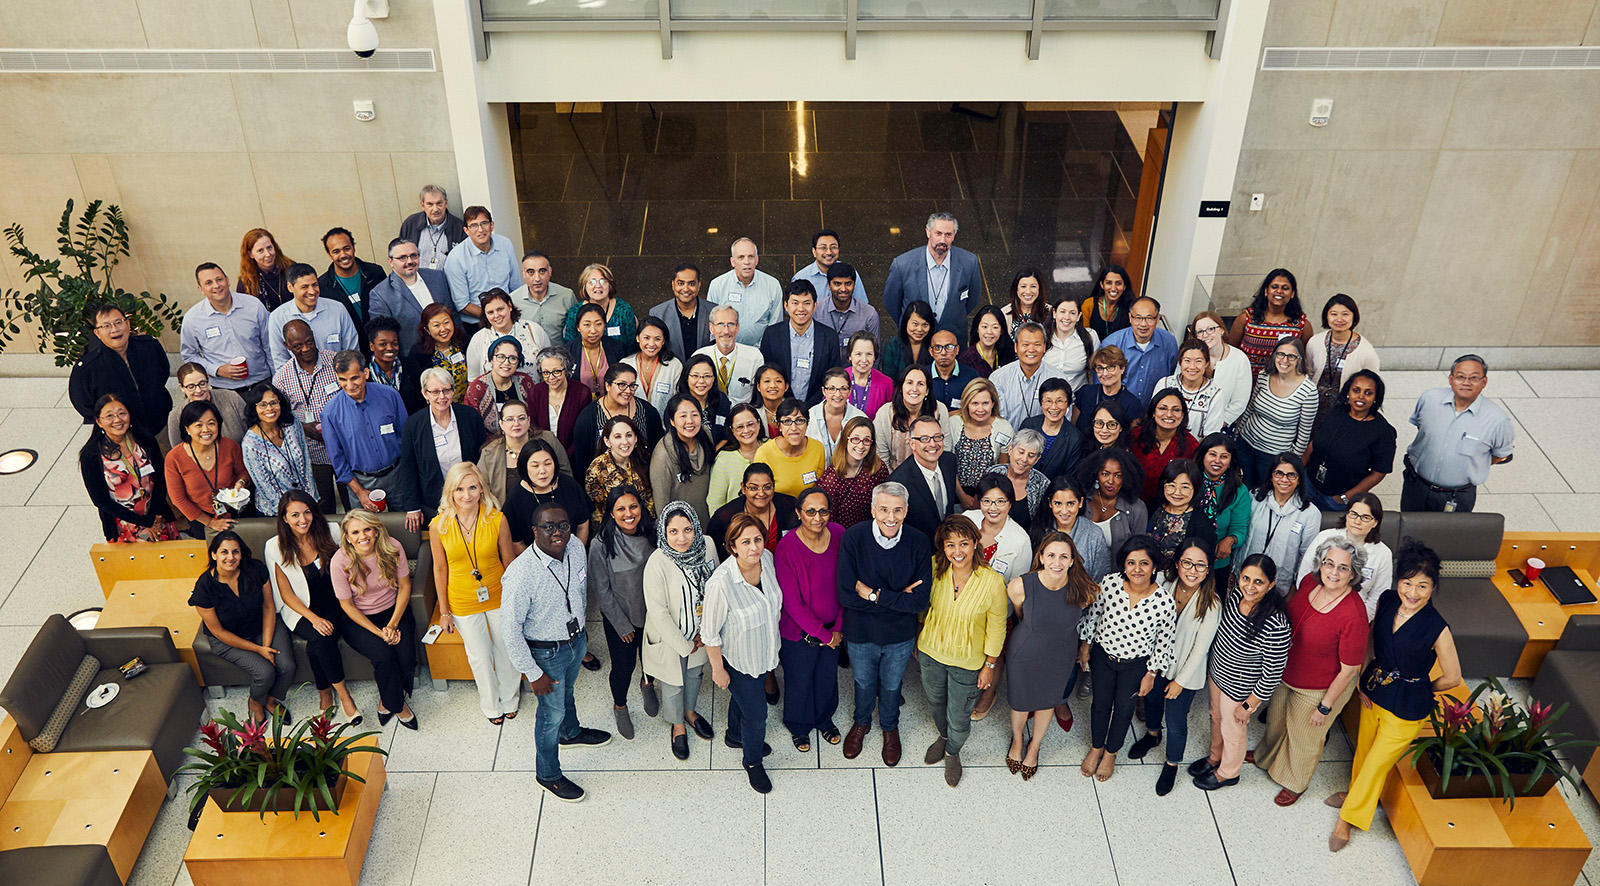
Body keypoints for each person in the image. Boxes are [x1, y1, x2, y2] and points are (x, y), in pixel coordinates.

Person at [1328, 541, 1462, 852]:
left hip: (1407, 707)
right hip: (1375, 690)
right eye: (1407, 583)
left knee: (1376, 763)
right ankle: (1354, 794)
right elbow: (1371, 638)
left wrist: (1423, 687)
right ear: (1397, 581)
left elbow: (1453, 676)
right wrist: (1362, 675)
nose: (1412, 592)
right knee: (1364, 751)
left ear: (1432, 588)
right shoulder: (1388, 601)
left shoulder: (1437, 627)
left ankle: (1347, 819)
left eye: (1422, 586)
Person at [502, 501, 613, 802]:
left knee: (567, 696)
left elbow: (578, 591)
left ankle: (571, 732)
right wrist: (533, 672)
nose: (558, 532)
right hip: (545, 654)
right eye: (549, 527)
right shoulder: (521, 574)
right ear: (535, 530)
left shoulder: (575, 546)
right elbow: (510, 632)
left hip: (575, 642)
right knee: (550, 715)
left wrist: (582, 639)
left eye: (563, 525)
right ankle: (548, 774)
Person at [1255, 535, 1368, 805]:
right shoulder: (1309, 583)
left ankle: (1296, 782)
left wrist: (1325, 707)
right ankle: (1266, 757)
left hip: (1319, 687)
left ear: (1353, 574)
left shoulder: (1354, 614)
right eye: (1329, 564)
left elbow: (1350, 670)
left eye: (1343, 568)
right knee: (1277, 721)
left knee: (1305, 736)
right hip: (1286, 672)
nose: (1333, 572)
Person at [837, 482, 933, 765]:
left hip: (899, 634)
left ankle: (890, 728)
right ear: (872, 510)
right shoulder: (854, 538)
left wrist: (873, 594)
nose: (890, 517)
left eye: (897, 510)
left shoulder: (918, 541)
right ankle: (861, 722)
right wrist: (897, 597)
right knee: (864, 682)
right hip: (860, 631)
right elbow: (846, 595)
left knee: (892, 685)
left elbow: (918, 602)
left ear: (906, 511)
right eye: (884, 510)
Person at [912, 515, 1005, 787]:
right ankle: (943, 737)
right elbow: (923, 607)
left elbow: (997, 628)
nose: (957, 552)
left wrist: (989, 666)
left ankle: (953, 751)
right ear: (942, 547)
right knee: (935, 702)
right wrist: (920, 634)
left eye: (963, 543)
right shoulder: (932, 568)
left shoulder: (992, 582)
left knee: (960, 714)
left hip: (968, 661)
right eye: (950, 545)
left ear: (976, 543)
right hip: (931, 652)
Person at [1127, 538, 1222, 794]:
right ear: (1178, 564)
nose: (1193, 571)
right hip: (1156, 665)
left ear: (1208, 569)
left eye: (1200, 566)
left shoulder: (1211, 603)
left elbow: (1200, 650)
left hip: (1185, 675)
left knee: (1177, 721)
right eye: (1187, 563)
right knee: (1152, 703)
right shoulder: (1164, 586)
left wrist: (1180, 682)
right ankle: (1153, 735)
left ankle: (1171, 763)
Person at [1078, 535, 1176, 782]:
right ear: (1123, 565)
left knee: (1123, 709)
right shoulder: (1110, 583)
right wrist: (1085, 646)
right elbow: (1094, 616)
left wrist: (1151, 674)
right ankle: (1096, 747)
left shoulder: (1164, 602)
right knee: (1100, 704)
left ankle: (1111, 753)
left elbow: (1164, 643)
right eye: (1131, 562)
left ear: (1154, 566)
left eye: (1144, 563)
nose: (1137, 569)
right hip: (1103, 657)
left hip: (1136, 665)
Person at [431, 462, 521, 725]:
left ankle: (510, 697)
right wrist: (444, 612)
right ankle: (490, 703)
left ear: (482, 489)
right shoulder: (439, 525)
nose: (467, 495)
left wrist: (516, 601)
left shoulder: (496, 519)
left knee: (505, 648)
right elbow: (439, 569)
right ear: (451, 492)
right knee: (479, 655)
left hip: (498, 593)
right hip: (461, 599)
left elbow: (509, 563)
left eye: (472, 487)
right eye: (459, 489)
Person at [1193, 554, 1291, 791]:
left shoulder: (1276, 623)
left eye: (1258, 582)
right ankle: (1214, 757)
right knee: (1215, 718)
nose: (1249, 586)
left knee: (1233, 729)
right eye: (1246, 578)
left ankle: (1228, 772)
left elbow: (1273, 673)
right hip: (1217, 674)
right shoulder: (1236, 595)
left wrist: (1249, 705)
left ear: (1271, 585)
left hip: (1240, 689)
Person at [702, 514, 785, 793]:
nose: (754, 547)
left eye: (758, 539)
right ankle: (752, 762)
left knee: (744, 702)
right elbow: (710, 633)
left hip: (765, 653)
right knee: (757, 714)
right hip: (738, 660)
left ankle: (734, 735)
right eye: (746, 541)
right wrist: (718, 670)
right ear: (733, 546)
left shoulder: (769, 561)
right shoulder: (721, 584)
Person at [1007, 531, 1098, 778]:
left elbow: (1087, 616)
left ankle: (1034, 747)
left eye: (1063, 557)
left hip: (1060, 655)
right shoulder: (1020, 586)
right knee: (1020, 702)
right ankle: (1017, 742)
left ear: (1072, 561)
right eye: (1051, 555)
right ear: (1042, 557)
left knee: (1048, 702)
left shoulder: (1085, 590)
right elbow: (1020, 615)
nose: (1057, 562)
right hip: (1024, 653)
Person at [266, 490, 359, 722]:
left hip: (337, 602)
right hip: (301, 610)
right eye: (295, 515)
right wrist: (314, 619)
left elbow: (351, 565)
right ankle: (343, 695)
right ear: (284, 518)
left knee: (315, 647)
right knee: (319, 637)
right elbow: (285, 593)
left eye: (307, 512)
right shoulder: (275, 546)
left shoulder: (332, 530)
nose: (302, 520)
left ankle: (324, 692)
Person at [189, 531, 293, 725]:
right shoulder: (204, 588)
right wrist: (259, 650)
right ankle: (255, 703)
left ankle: (271, 700)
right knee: (265, 672)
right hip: (228, 638)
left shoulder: (255, 569)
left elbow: (269, 606)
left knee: (286, 666)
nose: (231, 557)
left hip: (262, 624)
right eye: (224, 552)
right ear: (214, 555)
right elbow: (219, 632)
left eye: (235, 552)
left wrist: (267, 644)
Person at [642, 501, 719, 760]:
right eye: (673, 531)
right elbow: (659, 613)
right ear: (664, 532)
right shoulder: (658, 561)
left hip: (701, 633)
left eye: (687, 529)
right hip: (671, 638)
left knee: (695, 674)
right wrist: (687, 644)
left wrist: (705, 633)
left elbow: (716, 586)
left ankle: (690, 711)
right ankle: (677, 724)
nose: (682, 538)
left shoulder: (707, 545)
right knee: (674, 682)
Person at [332, 509, 419, 730]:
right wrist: (379, 633)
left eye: (367, 529)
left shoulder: (393, 547)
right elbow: (347, 606)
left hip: (393, 610)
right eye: (356, 532)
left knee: (407, 656)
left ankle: (386, 699)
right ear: (348, 537)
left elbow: (405, 586)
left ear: (376, 530)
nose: (363, 536)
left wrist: (392, 625)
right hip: (358, 619)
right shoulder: (339, 561)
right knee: (384, 656)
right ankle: (397, 706)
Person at [776, 487, 845, 751]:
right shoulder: (787, 548)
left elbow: (846, 586)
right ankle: (798, 725)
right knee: (799, 680)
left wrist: (837, 629)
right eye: (810, 512)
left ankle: (824, 719)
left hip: (833, 629)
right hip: (799, 633)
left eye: (823, 511)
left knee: (827, 678)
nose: (818, 518)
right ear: (798, 513)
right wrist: (825, 636)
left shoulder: (839, 534)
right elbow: (793, 603)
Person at [1402, 354, 1515, 513]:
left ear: (1484, 382)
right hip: (1416, 486)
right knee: (1407, 531)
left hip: (1457, 496)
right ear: (1450, 379)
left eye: (1474, 378)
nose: (1466, 383)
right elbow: (1422, 429)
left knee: (1447, 537)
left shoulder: (1498, 421)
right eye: (1460, 377)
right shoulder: (1429, 399)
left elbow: (1501, 454)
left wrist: (1472, 464)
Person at [589, 485, 658, 740]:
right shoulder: (601, 544)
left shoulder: (653, 532)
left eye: (633, 506)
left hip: (652, 614)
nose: (628, 513)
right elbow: (602, 590)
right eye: (621, 509)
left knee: (652, 658)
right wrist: (622, 625)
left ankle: (647, 683)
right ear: (611, 513)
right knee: (623, 667)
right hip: (622, 618)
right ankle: (620, 705)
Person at [321, 350, 415, 523]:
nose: (349, 385)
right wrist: (359, 492)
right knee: (365, 532)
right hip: (361, 482)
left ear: (366, 373)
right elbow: (337, 459)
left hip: (397, 475)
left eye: (354, 378)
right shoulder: (330, 413)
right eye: (343, 380)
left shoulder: (390, 395)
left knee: (405, 525)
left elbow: (407, 437)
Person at [79, 394, 178, 542]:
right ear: (99, 421)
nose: (117, 420)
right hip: (124, 525)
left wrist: (155, 515)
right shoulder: (91, 454)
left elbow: (160, 476)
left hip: (156, 516)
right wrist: (144, 522)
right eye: (109, 416)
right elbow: (100, 500)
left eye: (122, 413)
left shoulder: (144, 438)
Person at [68, 303, 172, 439]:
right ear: (97, 333)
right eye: (106, 326)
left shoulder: (150, 346)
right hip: (122, 435)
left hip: (159, 425)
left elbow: (163, 373)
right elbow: (83, 404)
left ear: (128, 324)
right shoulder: (87, 368)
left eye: (118, 322)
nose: (114, 330)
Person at [399, 366, 487, 525]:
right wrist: (412, 507)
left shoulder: (470, 417)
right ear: (425, 393)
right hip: (434, 502)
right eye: (435, 392)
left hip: (470, 499)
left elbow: (482, 456)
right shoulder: (413, 425)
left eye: (446, 390)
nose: (442, 397)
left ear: (453, 391)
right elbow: (407, 467)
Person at [272, 321, 341, 508]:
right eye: (297, 346)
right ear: (287, 346)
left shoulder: (335, 361)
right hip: (313, 452)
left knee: (353, 502)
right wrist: (302, 427)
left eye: (309, 342)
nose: (306, 349)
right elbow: (278, 417)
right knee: (324, 506)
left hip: (344, 446)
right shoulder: (282, 378)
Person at [1305, 370, 1395, 512]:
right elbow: (1314, 443)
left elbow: (1379, 472)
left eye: (1368, 393)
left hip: (1335, 499)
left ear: (1376, 397)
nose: (1361, 396)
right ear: (1348, 392)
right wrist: (1298, 473)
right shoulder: (1337, 412)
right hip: (1308, 484)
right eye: (1356, 390)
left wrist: (1346, 497)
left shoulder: (1383, 432)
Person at [1234, 337, 1318, 489]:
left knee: (1263, 493)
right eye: (1280, 354)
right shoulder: (1264, 375)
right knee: (1243, 488)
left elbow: (1304, 434)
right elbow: (1250, 408)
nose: (1285, 360)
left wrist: (1290, 462)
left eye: (1291, 356)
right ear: (1274, 356)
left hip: (1273, 455)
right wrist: (1238, 435)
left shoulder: (1308, 391)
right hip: (1245, 444)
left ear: (1299, 359)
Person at [883, 211, 982, 337]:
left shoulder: (969, 262)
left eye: (948, 234)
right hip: (916, 340)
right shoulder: (902, 264)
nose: (942, 240)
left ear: (954, 236)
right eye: (938, 233)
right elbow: (891, 302)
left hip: (952, 339)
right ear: (928, 232)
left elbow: (972, 300)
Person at [180, 263, 273, 391]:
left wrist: (276, 379)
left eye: (219, 279)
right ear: (201, 289)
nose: (216, 286)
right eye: (208, 283)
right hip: (224, 389)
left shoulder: (253, 306)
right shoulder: (192, 319)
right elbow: (190, 356)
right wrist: (217, 370)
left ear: (227, 280)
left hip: (262, 383)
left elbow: (269, 345)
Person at [166, 400, 251, 536]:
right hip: (200, 516)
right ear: (187, 429)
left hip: (234, 508)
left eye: (211, 423)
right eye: (198, 425)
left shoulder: (230, 446)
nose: (206, 430)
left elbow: (243, 472)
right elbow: (178, 499)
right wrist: (210, 522)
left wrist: (241, 482)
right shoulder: (174, 458)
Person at [1242, 453, 1321, 595]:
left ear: (1299, 480)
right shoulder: (1254, 498)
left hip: (1280, 585)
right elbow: (1244, 537)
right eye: (1279, 473)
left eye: (1291, 475)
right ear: (1271, 476)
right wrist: (1235, 569)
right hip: (1247, 580)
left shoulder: (1310, 513)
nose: (1284, 479)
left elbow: (1307, 556)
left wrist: (1296, 586)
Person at [368, 237, 455, 356]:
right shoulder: (380, 294)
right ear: (391, 261)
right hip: (414, 360)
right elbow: (384, 336)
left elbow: (452, 314)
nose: (409, 261)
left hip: (450, 353)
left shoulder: (437, 277)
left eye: (414, 255)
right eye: (402, 257)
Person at [241, 385, 317, 516]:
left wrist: (311, 499)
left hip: (305, 504)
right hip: (275, 512)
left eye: (273, 403)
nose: (269, 408)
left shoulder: (292, 424)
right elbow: (265, 487)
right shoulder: (250, 444)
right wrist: (290, 513)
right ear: (254, 408)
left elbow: (306, 463)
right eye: (263, 404)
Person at [504, 437, 591, 552]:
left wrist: (576, 555)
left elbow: (583, 525)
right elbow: (516, 542)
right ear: (524, 467)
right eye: (535, 466)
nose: (543, 471)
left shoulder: (569, 485)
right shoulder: (515, 497)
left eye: (548, 464)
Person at [760, 280, 840, 404]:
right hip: (781, 405)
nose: (801, 309)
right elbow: (766, 373)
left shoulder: (829, 336)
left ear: (814, 306)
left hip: (817, 407)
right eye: (795, 303)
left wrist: (810, 405)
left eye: (807, 303)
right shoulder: (772, 334)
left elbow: (833, 376)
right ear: (786, 306)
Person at [267, 263, 359, 370]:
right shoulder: (277, 318)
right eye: (304, 287)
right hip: (302, 384)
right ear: (290, 287)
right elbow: (280, 361)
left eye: (315, 284)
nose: (312, 291)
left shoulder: (338, 309)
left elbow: (352, 351)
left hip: (340, 379)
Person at [479, 399, 569, 504]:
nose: (516, 423)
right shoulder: (489, 452)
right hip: (507, 514)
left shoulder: (548, 439)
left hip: (549, 511)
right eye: (510, 419)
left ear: (529, 421)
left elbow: (566, 476)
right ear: (501, 424)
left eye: (521, 418)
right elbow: (483, 492)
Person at [1306, 293, 1380, 421]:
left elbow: (1372, 384)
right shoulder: (1315, 342)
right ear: (1326, 317)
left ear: (1354, 316)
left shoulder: (1366, 350)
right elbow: (1309, 371)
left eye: (1345, 314)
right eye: (1334, 314)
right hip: (1312, 406)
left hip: (1344, 411)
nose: (1339, 319)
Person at [1226, 268, 1313, 376]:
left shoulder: (1302, 325)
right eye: (1274, 287)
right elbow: (1230, 350)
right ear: (1266, 291)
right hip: (1244, 379)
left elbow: (1304, 359)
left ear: (1292, 294)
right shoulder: (1246, 318)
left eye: (1285, 288)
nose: (1279, 291)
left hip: (1280, 385)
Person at [887, 414, 960, 541]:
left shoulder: (949, 461)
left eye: (937, 437)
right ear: (912, 443)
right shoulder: (898, 482)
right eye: (924, 439)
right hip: (920, 549)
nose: (933, 444)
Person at [443, 206, 517, 330]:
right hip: (476, 324)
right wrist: (494, 316)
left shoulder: (505, 244)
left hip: (508, 319)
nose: (480, 229)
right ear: (466, 230)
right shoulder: (455, 258)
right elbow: (462, 304)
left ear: (492, 225)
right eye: (474, 225)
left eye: (484, 223)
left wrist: (508, 314)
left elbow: (515, 287)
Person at [1030, 475, 1111, 582]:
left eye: (1070, 504)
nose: (1064, 511)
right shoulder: (1039, 531)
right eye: (1058, 503)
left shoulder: (1094, 534)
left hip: (1083, 597)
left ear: (1081, 502)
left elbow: (1100, 579)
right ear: (1050, 503)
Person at [317, 227, 386, 351]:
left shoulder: (375, 273)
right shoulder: (322, 286)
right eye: (336, 251)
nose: (343, 255)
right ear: (329, 254)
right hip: (350, 350)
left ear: (354, 246)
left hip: (381, 345)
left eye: (346, 248)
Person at [948, 379, 1013, 508]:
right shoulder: (953, 423)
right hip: (954, 491)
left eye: (985, 403)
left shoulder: (1003, 427)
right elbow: (947, 464)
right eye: (975, 403)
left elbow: (1002, 469)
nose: (980, 409)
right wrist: (961, 495)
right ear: (966, 404)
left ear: (993, 403)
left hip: (989, 497)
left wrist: (983, 498)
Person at [1101, 296, 1179, 406]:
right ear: (1130, 318)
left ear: (1157, 319)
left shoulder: (1169, 343)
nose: (1143, 324)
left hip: (1153, 411)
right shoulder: (1112, 344)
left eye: (1149, 318)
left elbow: (1172, 378)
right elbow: (1101, 384)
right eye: (1138, 318)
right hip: (1118, 410)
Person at [651, 394, 715, 525]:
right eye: (683, 416)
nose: (690, 421)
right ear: (672, 421)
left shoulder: (706, 435)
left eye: (694, 415)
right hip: (680, 530)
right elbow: (661, 504)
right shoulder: (662, 455)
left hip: (707, 522)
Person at [706, 238, 783, 346]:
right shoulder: (717, 285)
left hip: (761, 353)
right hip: (726, 351)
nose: (746, 262)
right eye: (741, 257)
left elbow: (775, 326)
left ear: (757, 260)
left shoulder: (772, 285)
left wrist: (760, 350)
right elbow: (712, 326)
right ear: (733, 261)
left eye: (750, 257)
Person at [874, 364, 951, 471]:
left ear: (927, 391)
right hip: (894, 477)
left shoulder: (939, 410)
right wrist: (895, 483)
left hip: (931, 473)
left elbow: (946, 449)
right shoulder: (885, 413)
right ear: (901, 388)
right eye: (909, 383)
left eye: (920, 384)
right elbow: (881, 457)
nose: (914, 389)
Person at [1196, 434, 1250, 586]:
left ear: (1231, 461)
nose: (1217, 461)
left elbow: (1240, 530)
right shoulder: (1189, 480)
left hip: (1217, 562)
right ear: (1203, 455)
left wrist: (1230, 540)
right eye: (1212, 454)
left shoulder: (1239, 491)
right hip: (1185, 557)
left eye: (1224, 456)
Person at [991, 323, 1069, 428]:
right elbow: (996, 419)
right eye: (1025, 344)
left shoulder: (1058, 378)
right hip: (1009, 440)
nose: (1031, 350)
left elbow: (1065, 419)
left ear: (1044, 347)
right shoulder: (998, 378)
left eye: (1037, 344)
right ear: (1016, 347)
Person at [818, 417, 888, 529]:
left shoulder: (878, 468)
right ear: (846, 440)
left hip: (873, 530)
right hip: (843, 535)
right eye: (855, 439)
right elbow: (829, 522)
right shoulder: (830, 480)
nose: (861, 446)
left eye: (866, 440)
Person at [466, 289, 552, 379]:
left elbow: (550, 364)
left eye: (500, 309)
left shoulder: (533, 330)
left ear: (510, 306)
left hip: (534, 391)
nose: (496, 315)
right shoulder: (478, 339)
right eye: (490, 312)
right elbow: (473, 380)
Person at [1132, 388, 1199, 503]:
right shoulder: (1134, 436)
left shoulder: (1191, 445)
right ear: (1153, 412)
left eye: (1176, 410)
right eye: (1163, 408)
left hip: (1172, 507)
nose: (1169, 414)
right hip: (1134, 503)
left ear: (1183, 415)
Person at [584, 415, 654, 524]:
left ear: (636, 438)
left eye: (629, 435)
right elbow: (597, 513)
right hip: (613, 531)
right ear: (607, 441)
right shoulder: (597, 469)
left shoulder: (644, 459)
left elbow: (650, 500)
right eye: (618, 437)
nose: (625, 442)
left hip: (645, 526)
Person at [1188, 310, 1252, 427]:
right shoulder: (1188, 356)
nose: (1205, 335)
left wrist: (1216, 427)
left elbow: (1239, 403)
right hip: (1188, 424)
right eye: (1200, 331)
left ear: (1222, 330)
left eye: (1211, 329)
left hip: (1222, 425)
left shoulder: (1239, 359)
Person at [463, 336, 538, 435]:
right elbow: (471, 426)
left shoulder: (525, 382)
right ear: (491, 359)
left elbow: (534, 417)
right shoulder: (477, 388)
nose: (506, 362)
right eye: (500, 357)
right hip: (490, 445)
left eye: (513, 358)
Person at [1077, 448, 1148, 554]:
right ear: (1096, 474)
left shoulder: (1137, 508)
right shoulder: (1082, 500)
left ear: (1126, 478)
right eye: (1105, 474)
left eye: (1117, 475)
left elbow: (1138, 551)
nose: (1110, 481)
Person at [1146, 459, 1216, 565]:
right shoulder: (1151, 507)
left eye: (1185, 487)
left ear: (1195, 489)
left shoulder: (1202, 525)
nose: (1177, 492)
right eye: (1171, 485)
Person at [753, 398, 826, 498]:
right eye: (787, 421)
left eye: (799, 421)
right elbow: (759, 496)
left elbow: (818, 488)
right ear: (779, 426)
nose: (794, 428)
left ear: (807, 423)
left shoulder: (817, 448)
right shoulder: (764, 453)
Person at [1154, 339, 1226, 437]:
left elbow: (1210, 435)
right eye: (1187, 361)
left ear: (1206, 363)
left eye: (1198, 361)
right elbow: (1152, 418)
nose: (1192, 367)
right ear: (1180, 362)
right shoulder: (1165, 384)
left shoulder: (1215, 394)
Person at [693, 305, 763, 405]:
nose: (726, 331)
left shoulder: (754, 357)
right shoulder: (699, 356)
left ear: (737, 328)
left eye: (730, 324)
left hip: (743, 416)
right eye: (720, 324)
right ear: (711, 328)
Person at [1017, 377, 1083, 482]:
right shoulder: (1028, 424)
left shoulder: (1075, 438)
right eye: (1048, 401)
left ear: (1068, 403)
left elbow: (1070, 477)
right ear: (1041, 402)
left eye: (1059, 401)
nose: (1053, 407)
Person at [167, 362, 250, 446]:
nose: (198, 390)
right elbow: (178, 450)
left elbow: (253, 429)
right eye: (191, 386)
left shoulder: (231, 398)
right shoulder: (176, 416)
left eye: (202, 383)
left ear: (208, 380)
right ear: (182, 387)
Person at [529, 348, 591, 460]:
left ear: (566, 369)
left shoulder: (582, 393)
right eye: (546, 373)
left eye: (556, 371)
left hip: (574, 458)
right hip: (542, 457)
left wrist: (563, 458)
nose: (551, 377)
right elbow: (533, 429)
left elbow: (582, 434)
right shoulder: (535, 392)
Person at [510, 251, 578, 346]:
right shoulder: (513, 300)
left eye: (542, 271)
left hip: (561, 355)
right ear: (523, 274)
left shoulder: (566, 296)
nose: (537, 278)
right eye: (531, 272)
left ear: (550, 271)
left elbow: (576, 329)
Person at [561, 263, 639, 345]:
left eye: (603, 281)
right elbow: (570, 345)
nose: (598, 286)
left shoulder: (624, 311)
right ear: (584, 285)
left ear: (610, 285)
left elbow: (632, 345)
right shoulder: (575, 313)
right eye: (592, 282)